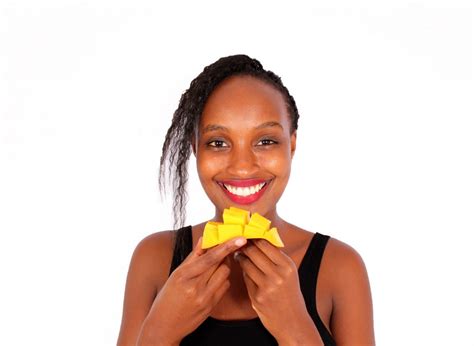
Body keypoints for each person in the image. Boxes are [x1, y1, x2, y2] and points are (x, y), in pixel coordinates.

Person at [117, 55, 375, 345]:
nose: (242, 167)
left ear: (291, 144)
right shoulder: (154, 258)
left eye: (266, 141)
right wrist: (159, 332)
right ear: (195, 148)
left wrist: (296, 328)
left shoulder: (340, 267)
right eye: (218, 143)